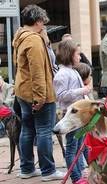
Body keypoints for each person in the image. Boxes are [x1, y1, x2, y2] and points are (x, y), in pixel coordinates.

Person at [12, 4, 65, 181]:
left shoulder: (21, 36)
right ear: (38, 20)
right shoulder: (33, 40)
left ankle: (26, 168)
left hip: (23, 92)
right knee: (44, 131)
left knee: (27, 130)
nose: (44, 26)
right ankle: (48, 171)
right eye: (43, 22)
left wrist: (45, 38)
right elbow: (37, 70)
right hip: (37, 93)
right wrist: (41, 97)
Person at [53, 40, 91, 184]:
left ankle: (81, 172)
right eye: (77, 54)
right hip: (70, 119)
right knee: (72, 148)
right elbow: (61, 95)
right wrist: (82, 90)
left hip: (79, 119)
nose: (80, 57)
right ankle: (76, 178)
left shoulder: (72, 71)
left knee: (80, 145)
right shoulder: (62, 74)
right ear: (69, 55)